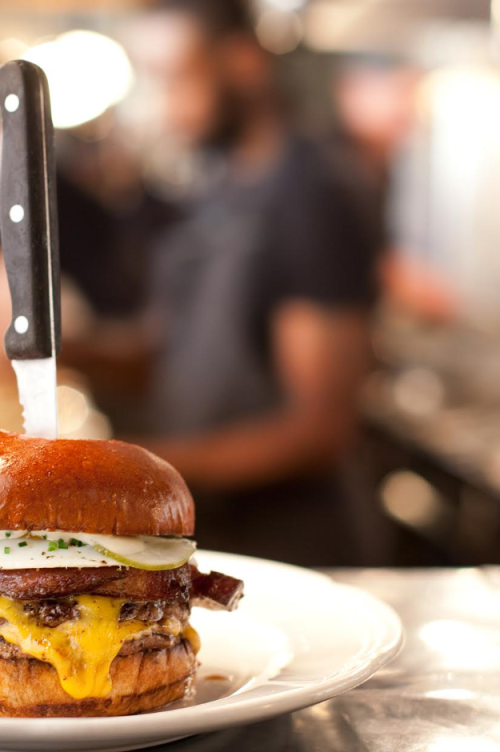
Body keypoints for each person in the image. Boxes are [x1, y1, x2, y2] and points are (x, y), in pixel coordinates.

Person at [89, 0, 384, 565]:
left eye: (175, 78)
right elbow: (170, 351)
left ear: (242, 61)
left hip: (295, 551)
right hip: (216, 533)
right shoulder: (217, 181)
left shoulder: (312, 193)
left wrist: (141, 472)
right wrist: (59, 349)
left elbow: (321, 428)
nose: (166, 106)